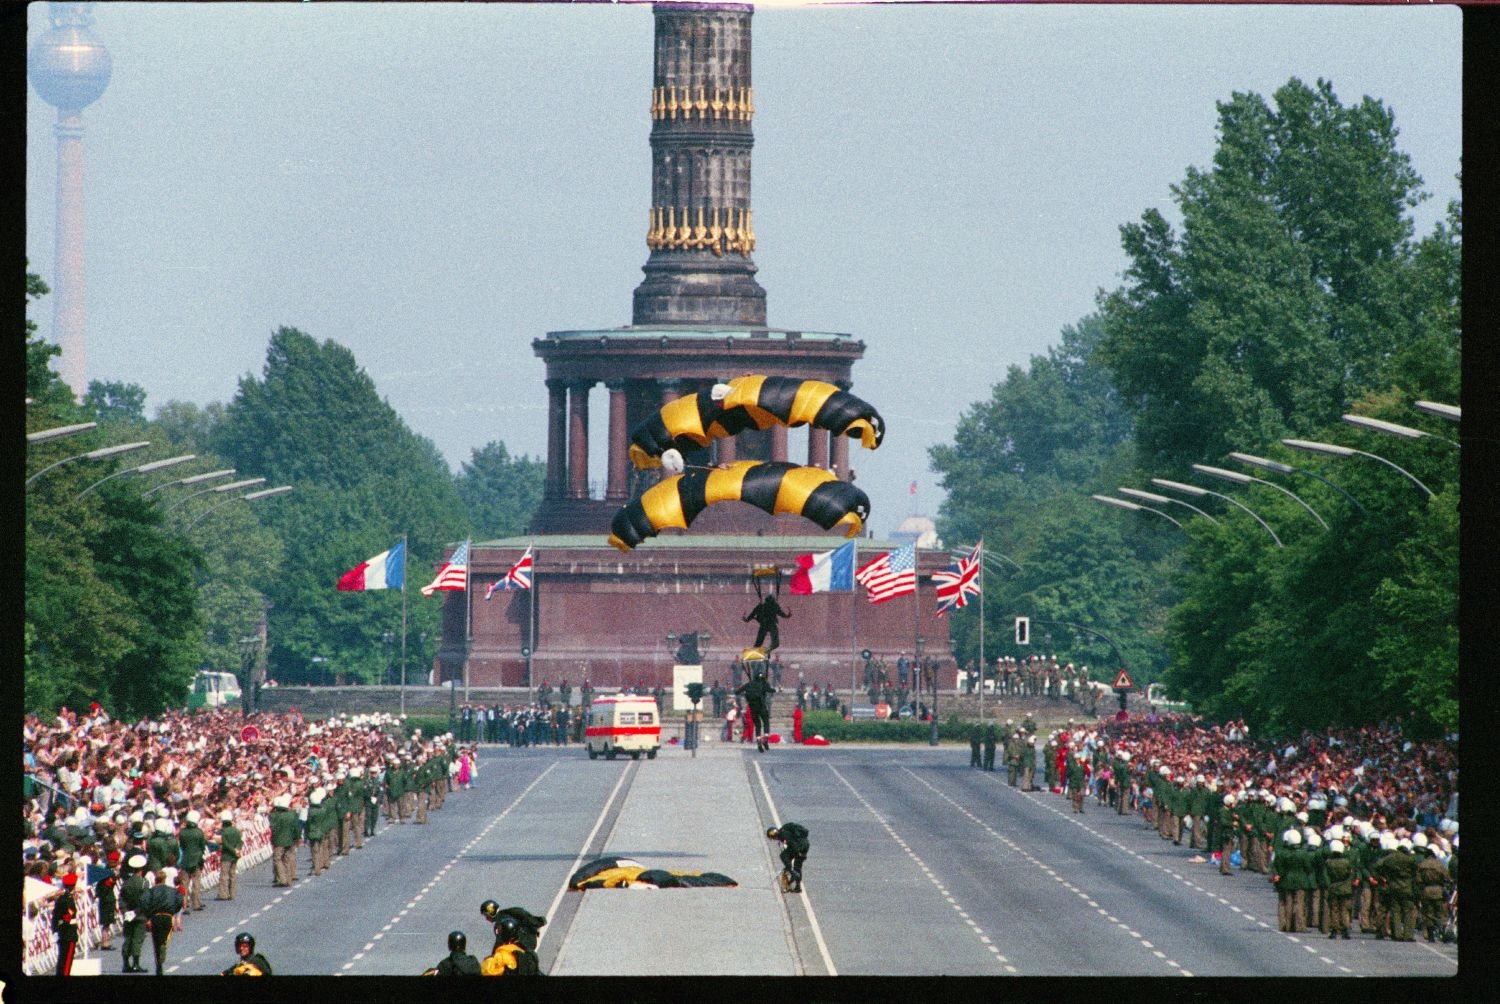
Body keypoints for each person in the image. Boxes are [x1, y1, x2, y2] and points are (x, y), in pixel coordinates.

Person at [144, 869, 185, 975]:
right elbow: (180, 900)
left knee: (155, 941)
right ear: (165, 879)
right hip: (167, 916)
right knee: (165, 937)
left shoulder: (151, 891)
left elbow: (144, 902)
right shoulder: (172, 890)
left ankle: (159, 965)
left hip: (155, 917)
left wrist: (148, 915)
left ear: (156, 880)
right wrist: (173, 910)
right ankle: (163, 945)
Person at [735, 654, 777, 753]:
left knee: (757, 725)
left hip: (753, 708)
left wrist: (745, 692)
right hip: (762, 706)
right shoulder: (763, 684)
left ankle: (758, 739)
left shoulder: (748, 684)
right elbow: (771, 690)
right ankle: (766, 737)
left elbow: (737, 692)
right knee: (766, 722)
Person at [120, 853, 150, 973]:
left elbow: (121, 899)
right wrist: (137, 912)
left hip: (128, 915)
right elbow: (145, 900)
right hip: (140, 915)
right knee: (137, 939)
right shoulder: (144, 883)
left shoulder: (126, 882)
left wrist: (125, 912)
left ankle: (126, 964)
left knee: (128, 938)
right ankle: (136, 963)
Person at [767, 822, 810, 893]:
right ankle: (797, 887)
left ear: (773, 835)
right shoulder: (784, 830)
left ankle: (792, 872)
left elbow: (793, 844)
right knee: (797, 867)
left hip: (799, 847)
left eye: (772, 838)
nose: (774, 839)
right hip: (805, 845)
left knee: (783, 855)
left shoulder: (783, 835)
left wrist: (797, 854)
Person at [51, 872, 80, 976]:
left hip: (61, 932)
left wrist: (55, 930)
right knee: (67, 963)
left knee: (62, 960)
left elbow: (55, 916)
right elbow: (69, 916)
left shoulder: (61, 899)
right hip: (68, 933)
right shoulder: (68, 900)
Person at [179, 809, 207, 911]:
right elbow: (202, 846)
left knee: (184, 884)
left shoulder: (182, 833)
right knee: (196, 882)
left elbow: (182, 845)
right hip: (197, 860)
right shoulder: (199, 832)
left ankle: (184, 905)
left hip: (185, 860)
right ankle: (196, 903)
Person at [216, 810, 243, 900]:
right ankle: (232, 894)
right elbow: (240, 842)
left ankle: (223, 894)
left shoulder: (222, 832)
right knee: (232, 874)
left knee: (224, 876)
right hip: (235, 856)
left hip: (226, 855)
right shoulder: (236, 830)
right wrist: (237, 850)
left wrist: (232, 850)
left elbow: (225, 844)